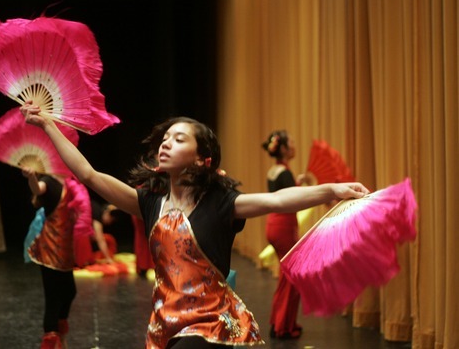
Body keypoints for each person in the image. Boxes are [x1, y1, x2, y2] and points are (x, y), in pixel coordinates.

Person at [21, 102, 370, 348]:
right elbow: (87, 174)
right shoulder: (149, 203)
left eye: (179, 138)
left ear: (202, 159)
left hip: (210, 323)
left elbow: (278, 200)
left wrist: (333, 189)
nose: (166, 143)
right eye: (165, 138)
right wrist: (48, 124)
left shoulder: (222, 206)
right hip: (165, 323)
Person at [22, 167, 94, 349]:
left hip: (65, 250)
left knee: (70, 291)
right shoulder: (49, 181)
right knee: (53, 297)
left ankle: (59, 333)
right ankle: (51, 338)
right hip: (50, 248)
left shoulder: (71, 182)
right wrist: (31, 177)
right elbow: (38, 189)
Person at [261, 130, 306, 339]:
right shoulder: (285, 173)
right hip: (283, 227)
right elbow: (292, 200)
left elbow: (284, 195)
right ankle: (282, 327)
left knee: (286, 277)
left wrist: (297, 182)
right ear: (285, 149)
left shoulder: (274, 171)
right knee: (292, 278)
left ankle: (278, 323)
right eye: (292, 143)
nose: (295, 145)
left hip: (274, 224)